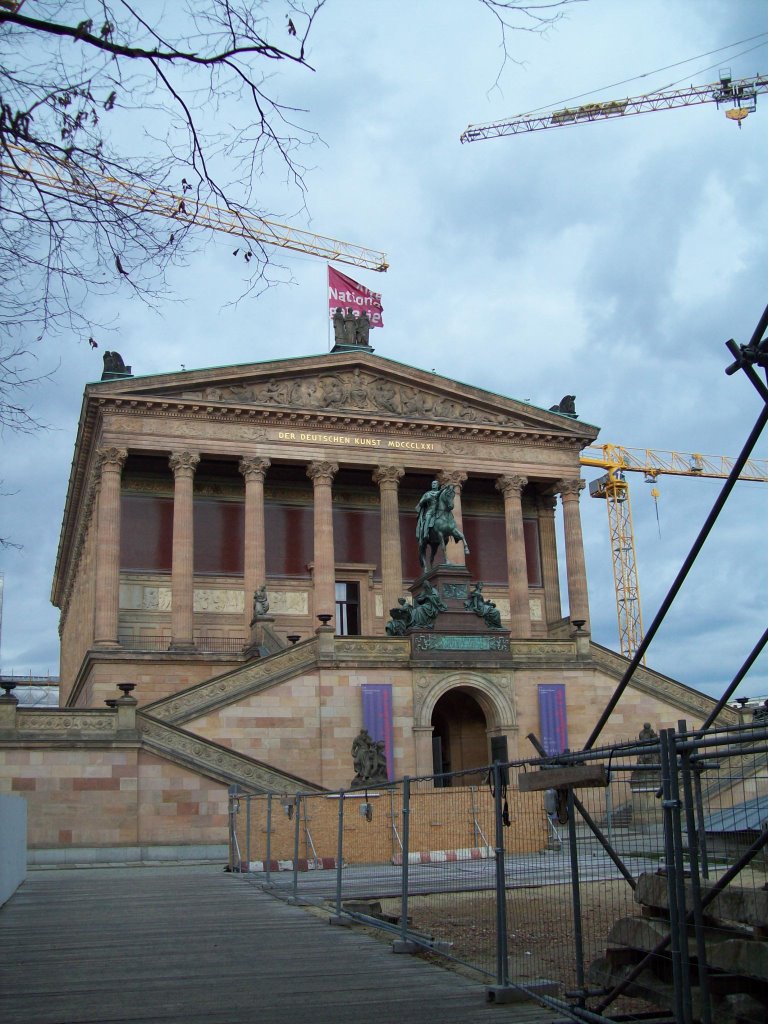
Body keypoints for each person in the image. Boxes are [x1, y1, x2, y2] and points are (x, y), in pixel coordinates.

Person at [416, 480, 442, 546]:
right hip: (430, 511)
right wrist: (426, 499)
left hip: (440, 511)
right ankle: (425, 534)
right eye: (432, 483)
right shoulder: (427, 494)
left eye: (435, 483)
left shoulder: (441, 493)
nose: (433, 484)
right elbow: (420, 503)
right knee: (427, 518)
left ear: (438, 485)